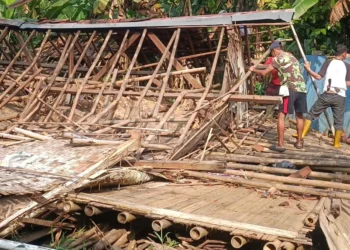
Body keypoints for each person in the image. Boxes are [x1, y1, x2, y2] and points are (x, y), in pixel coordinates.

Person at [250, 41, 307, 151]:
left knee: (281, 115)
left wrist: (253, 70)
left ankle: (280, 144)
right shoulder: (292, 56)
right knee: (299, 115)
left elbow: (264, 73)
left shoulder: (277, 59)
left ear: (274, 50)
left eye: (272, 53)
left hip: (289, 89)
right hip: (301, 88)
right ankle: (299, 142)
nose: (273, 55)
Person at [301, 44, 350, 148]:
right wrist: (340, 85)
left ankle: (302, 135)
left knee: (311, 114)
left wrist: (308, 69)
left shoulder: (328, 62)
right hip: (340, 96)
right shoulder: (347, 66)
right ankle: (336, 144)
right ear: (344, 54)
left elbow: (318, 77)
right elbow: (348, 83)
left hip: (327, 94)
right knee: (339, 121)